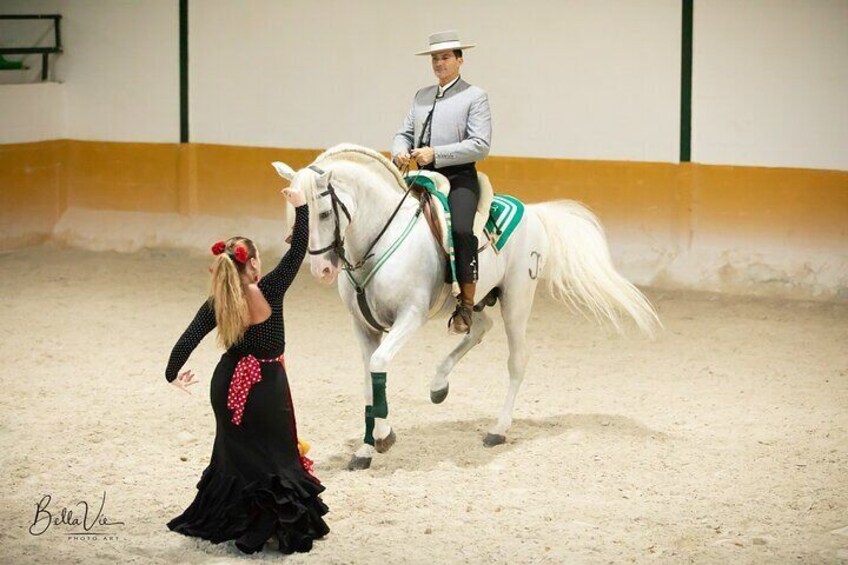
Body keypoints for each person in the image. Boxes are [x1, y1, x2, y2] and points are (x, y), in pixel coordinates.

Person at [164, 186, 329, 555]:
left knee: (234, 457)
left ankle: (232, 516)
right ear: (253, 262)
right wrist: (301, 207)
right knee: (275, 457)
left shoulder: (218, 302)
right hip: (265, 386)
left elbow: (185, 341)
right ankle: (268, 524)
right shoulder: (271, 288)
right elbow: (299, 250)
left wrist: (172, 374)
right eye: (257, 258)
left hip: (227, 385)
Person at [392, 29, 492, 335]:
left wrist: (436, 153)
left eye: (446, 57)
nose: (439, 63)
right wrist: (398, 151)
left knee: (461, 229)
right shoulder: (421, 96)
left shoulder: (475, 97)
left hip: (458, 176)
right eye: (435, 58)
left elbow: (480, 145)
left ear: (460, 60)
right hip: (422, 176)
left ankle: (466, 302)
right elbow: (404, 132)